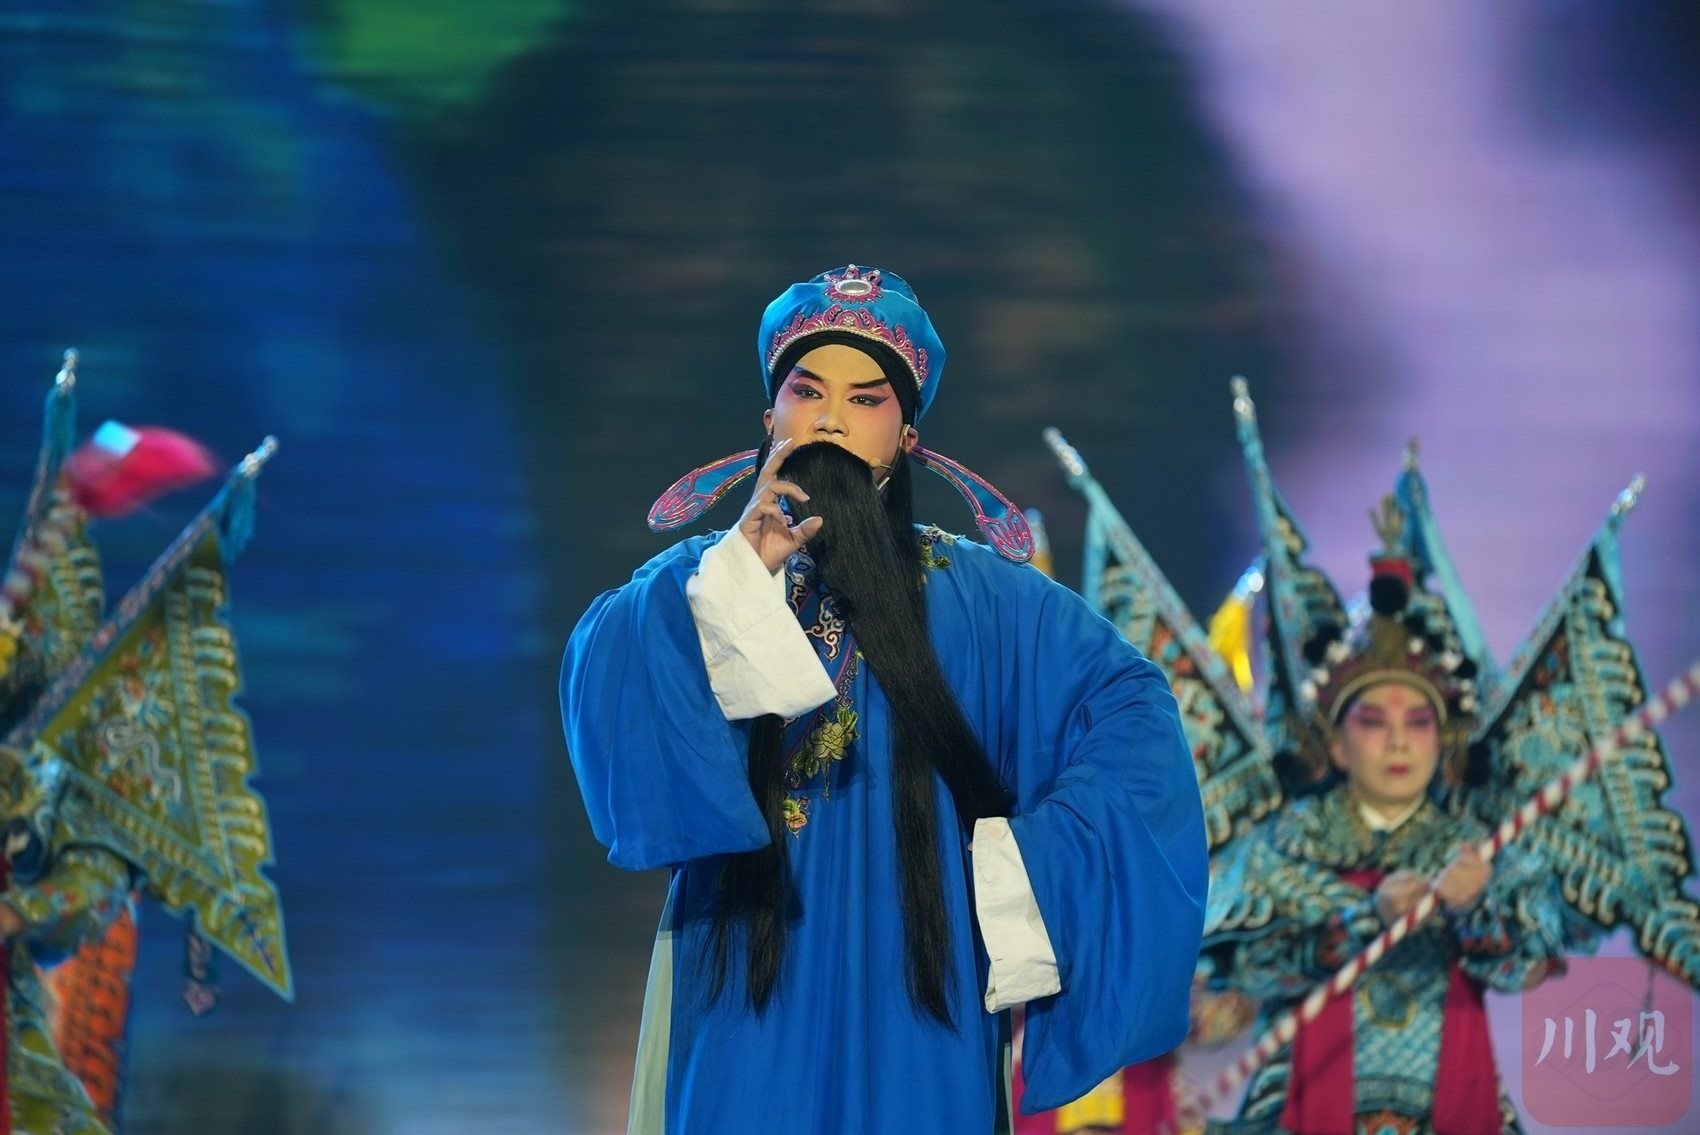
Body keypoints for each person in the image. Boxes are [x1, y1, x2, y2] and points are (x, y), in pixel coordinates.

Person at [561, 265, 1209, 1134]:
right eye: (806, 391)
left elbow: (1131, 708)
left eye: (865, 399)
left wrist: (1017, 868)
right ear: (769, 417)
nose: (830, 418)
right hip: (741, 987)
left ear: (906, 433)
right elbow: (605, 692)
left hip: (922, 996)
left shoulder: (985, 601)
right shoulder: (694, 584)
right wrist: (737, 582)